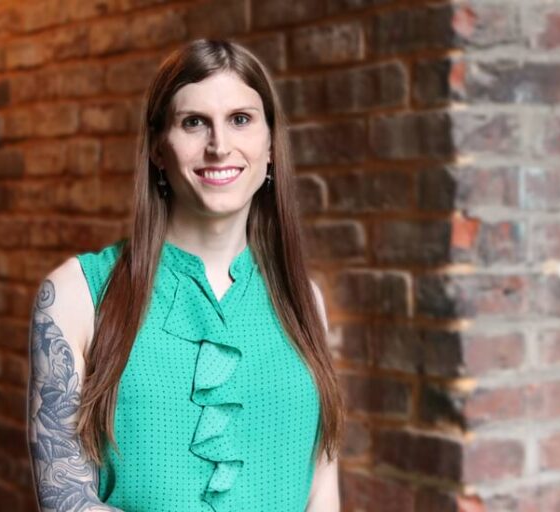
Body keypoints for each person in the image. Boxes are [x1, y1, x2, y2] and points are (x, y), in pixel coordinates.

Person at [26, 38, 344, 512]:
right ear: (158, 146)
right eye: (194, 122)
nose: (219, 146)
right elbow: (65, 502)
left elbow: (321, 488)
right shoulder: (75, 294)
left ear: (271, 145)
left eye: (241, 119)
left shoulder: (304, 300)